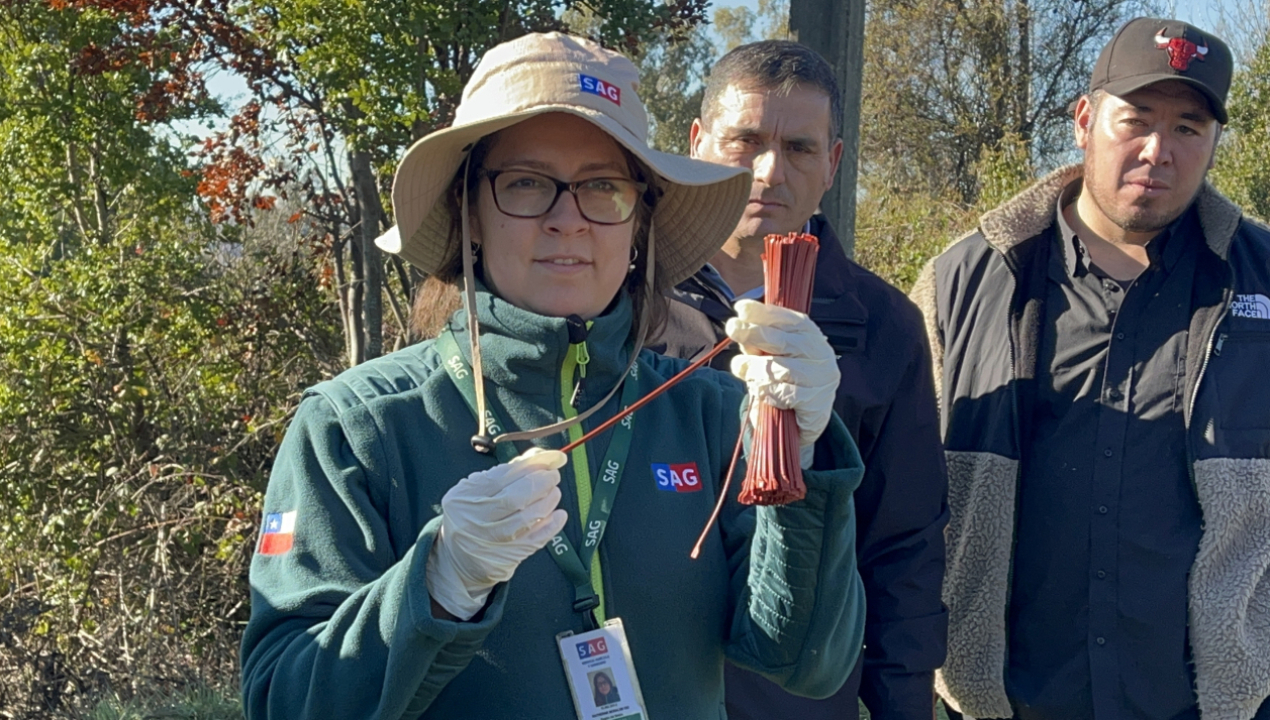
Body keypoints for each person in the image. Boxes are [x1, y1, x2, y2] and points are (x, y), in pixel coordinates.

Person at [240, 32, 869, 720]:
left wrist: (802, 463)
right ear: (468, 211)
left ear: (640, 221)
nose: (568, 221)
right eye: (528, 184)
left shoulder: (711, 412)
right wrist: (437, 583)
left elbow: (806, 662)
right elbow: (283, 699)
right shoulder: (358, 426)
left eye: (603, 187)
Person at [911, 17, 1270, 720]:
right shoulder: (969, 279)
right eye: (1134, 119)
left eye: (1188, 129)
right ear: (1084, 119)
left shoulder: (1260, 281)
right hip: (1004, 702)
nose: (1157, 150)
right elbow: (903, 502)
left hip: (1206, 707)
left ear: (1213, 142)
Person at [651, 40, 949, 720]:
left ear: (833, 164)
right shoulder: (621, 299)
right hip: (646, 688)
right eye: (745, 140)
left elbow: (902, 548)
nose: (768, 171)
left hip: (799, 699)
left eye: (800, 149)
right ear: (698, 142)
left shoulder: (885, 326)